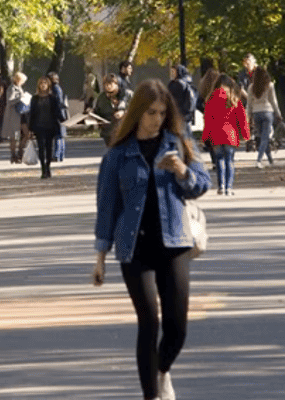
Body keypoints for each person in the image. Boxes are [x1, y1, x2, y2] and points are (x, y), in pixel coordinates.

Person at [93, 80, 211, 400]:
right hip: (135, 249)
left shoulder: (177, 143)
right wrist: (100, 257)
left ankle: (162, 370)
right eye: (150, 113)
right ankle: (150, 396)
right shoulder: (118, 154)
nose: (156, 119)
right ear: (138, 113)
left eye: (161, 113)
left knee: (177, 327)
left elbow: (202, 184)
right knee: (149, 322)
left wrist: (182, 170)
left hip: (174, 244)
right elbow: (107, 207)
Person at [202, 75, 249, 196]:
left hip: (216, 134)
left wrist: (205, 136)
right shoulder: (234, 99)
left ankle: (221, 186)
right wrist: (245, 134)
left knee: (219, 161)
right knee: (229, 161)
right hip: (230, 135)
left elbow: (208, 120)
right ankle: (229, 187)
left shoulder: (211, 99)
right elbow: (242, 119)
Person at [25, 75, 68, 179]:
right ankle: (43, 169)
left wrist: (65, 121)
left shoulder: (53, 98)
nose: (43, 85)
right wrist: (30, 129)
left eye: (45, 83)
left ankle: (48, 167)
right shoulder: (34, 98)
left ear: (48, 85)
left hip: (50, 126)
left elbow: (57, 112)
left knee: (49, 148)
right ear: (38, 85)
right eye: (41, 83)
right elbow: (32, 114)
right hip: (38, 126)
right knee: (41, 148)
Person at [248, 66, 281, 168]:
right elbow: (273, 101)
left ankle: (270, 160)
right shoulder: (269, 85)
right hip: (267, 112)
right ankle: (259, 160)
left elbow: (249, 103)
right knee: (265, 138)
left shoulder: (251, 87)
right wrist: (278, 114)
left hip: (256, 113)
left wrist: (248, 116)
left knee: (263, 137)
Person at [92, 73, 131, 145]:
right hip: (108, 132)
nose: (108, 86)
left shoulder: (126, 95)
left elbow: (137, 110)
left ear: (117, 84)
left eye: (111, 84)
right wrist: (91, 112)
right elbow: (98, 111)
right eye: (106, 84)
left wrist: (124, 113)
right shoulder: (102, 97)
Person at [1, 71, 30, 164]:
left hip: (22, 114)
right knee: (14, 137)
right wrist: (21, 98)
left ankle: (20, 152)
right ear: (18, 80)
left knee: (26, 134)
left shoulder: (19, 88)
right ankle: (14, 155)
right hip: (14, 116)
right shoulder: (11, 88)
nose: (24, 83)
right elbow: (9, 100)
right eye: (22, 81)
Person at [167, 63, 198, 140]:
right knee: (187, 138)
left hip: (178, 115)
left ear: (178, 72)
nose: (171, 74)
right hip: (187, 115)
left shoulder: (176, 84)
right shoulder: (188, 82)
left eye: (173, 72)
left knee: (180, 139)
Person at [47, 71, 69, 162]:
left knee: (57, 135)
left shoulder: (55, 89)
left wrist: (59, 116)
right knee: (60, 135)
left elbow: (58, 102)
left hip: (57, 114)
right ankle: (61, 155)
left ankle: (56, 155)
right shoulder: (57, 88)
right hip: (60, 113)